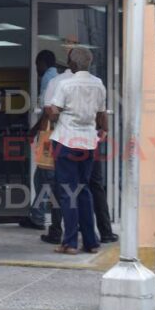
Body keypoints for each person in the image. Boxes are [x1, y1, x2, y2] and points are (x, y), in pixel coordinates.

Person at [45, 46, 106, 255]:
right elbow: (101, 115)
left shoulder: (65, 84)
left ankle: (70, 242)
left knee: (68, 193)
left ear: (72, 64)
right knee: (84, 191)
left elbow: (53, 115)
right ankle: (91, 241)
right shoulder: (98, 84)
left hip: (66, 141)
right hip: (88, 143)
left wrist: (53, 110)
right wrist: (103, 131)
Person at [21, 50, 59, 231]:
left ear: (43, 63)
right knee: (39, 176)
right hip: (52, 134)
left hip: (48, 135)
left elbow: (46, 110)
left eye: (37, 65)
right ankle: (37, 213)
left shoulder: (49, 79)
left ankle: (38, 216)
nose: (36, 69)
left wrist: (35, 131)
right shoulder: (56, 77)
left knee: (45, 177)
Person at [39, 51, 74, 245]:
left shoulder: (56, 82)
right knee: (80, 188)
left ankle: (56, 230)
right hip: (86, 143)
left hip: (61, 139)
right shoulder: (95, 82)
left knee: (57, 186)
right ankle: (82, 232)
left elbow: (49, 112)